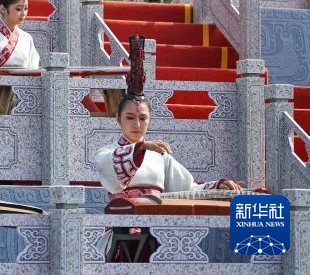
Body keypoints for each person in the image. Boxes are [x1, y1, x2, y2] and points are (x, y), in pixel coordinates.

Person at [92, 36, 245, 262]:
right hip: (123, 230)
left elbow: (189, 188)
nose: (137, 124)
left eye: (143, 118)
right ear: (118, 119)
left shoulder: (158, 155)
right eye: (130, 117)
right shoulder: (107, 152)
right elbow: (113, 176)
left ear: (150, 120)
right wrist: (141, 148)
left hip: (159, 229)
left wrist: (218, 186)